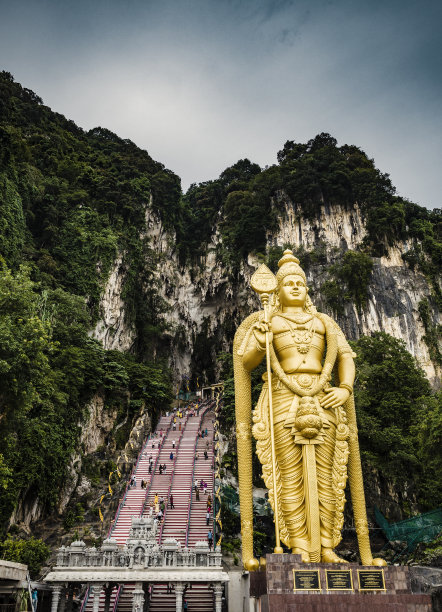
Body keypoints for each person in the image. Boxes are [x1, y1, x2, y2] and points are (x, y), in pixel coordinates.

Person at [234, 249, 386, 568]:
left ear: (307, 289)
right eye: (288, 282)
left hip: (323, 398)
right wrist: (261, 341)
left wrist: (344, 388)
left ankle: (328, 546)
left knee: (328, 476)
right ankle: (301, 548)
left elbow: (345, 357)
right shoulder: (268, 320)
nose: (295, 286)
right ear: (277, 290)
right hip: (282, 399)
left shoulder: (324, 322)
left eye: (300, 282)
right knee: (290, 476)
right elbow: (245, 362)